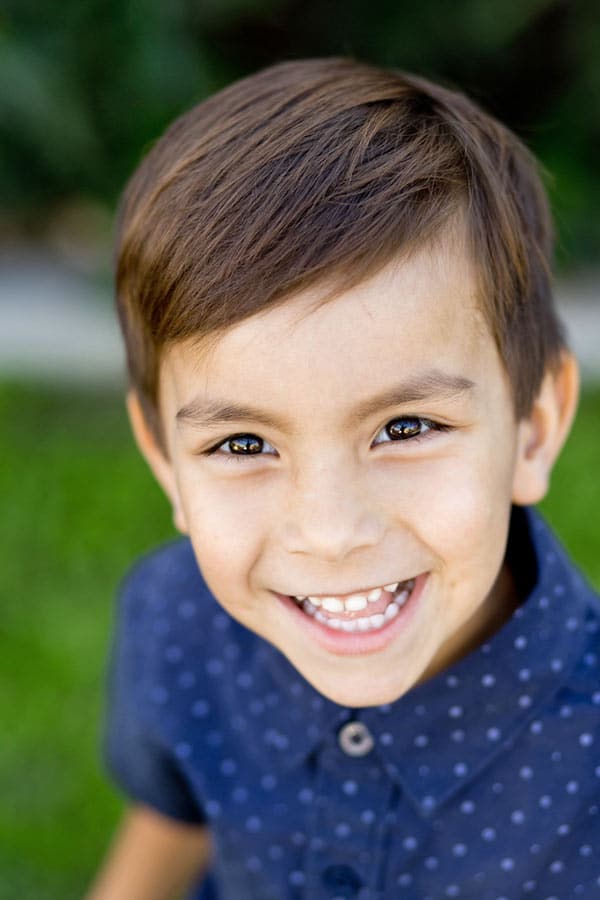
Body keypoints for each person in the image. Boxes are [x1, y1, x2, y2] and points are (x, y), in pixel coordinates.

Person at [86, 59, 599, 900]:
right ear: (164, 462)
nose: (329, 531)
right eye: (244, 444)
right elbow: (172, 817)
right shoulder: (176, 622)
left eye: (405, 429)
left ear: (532, 429)